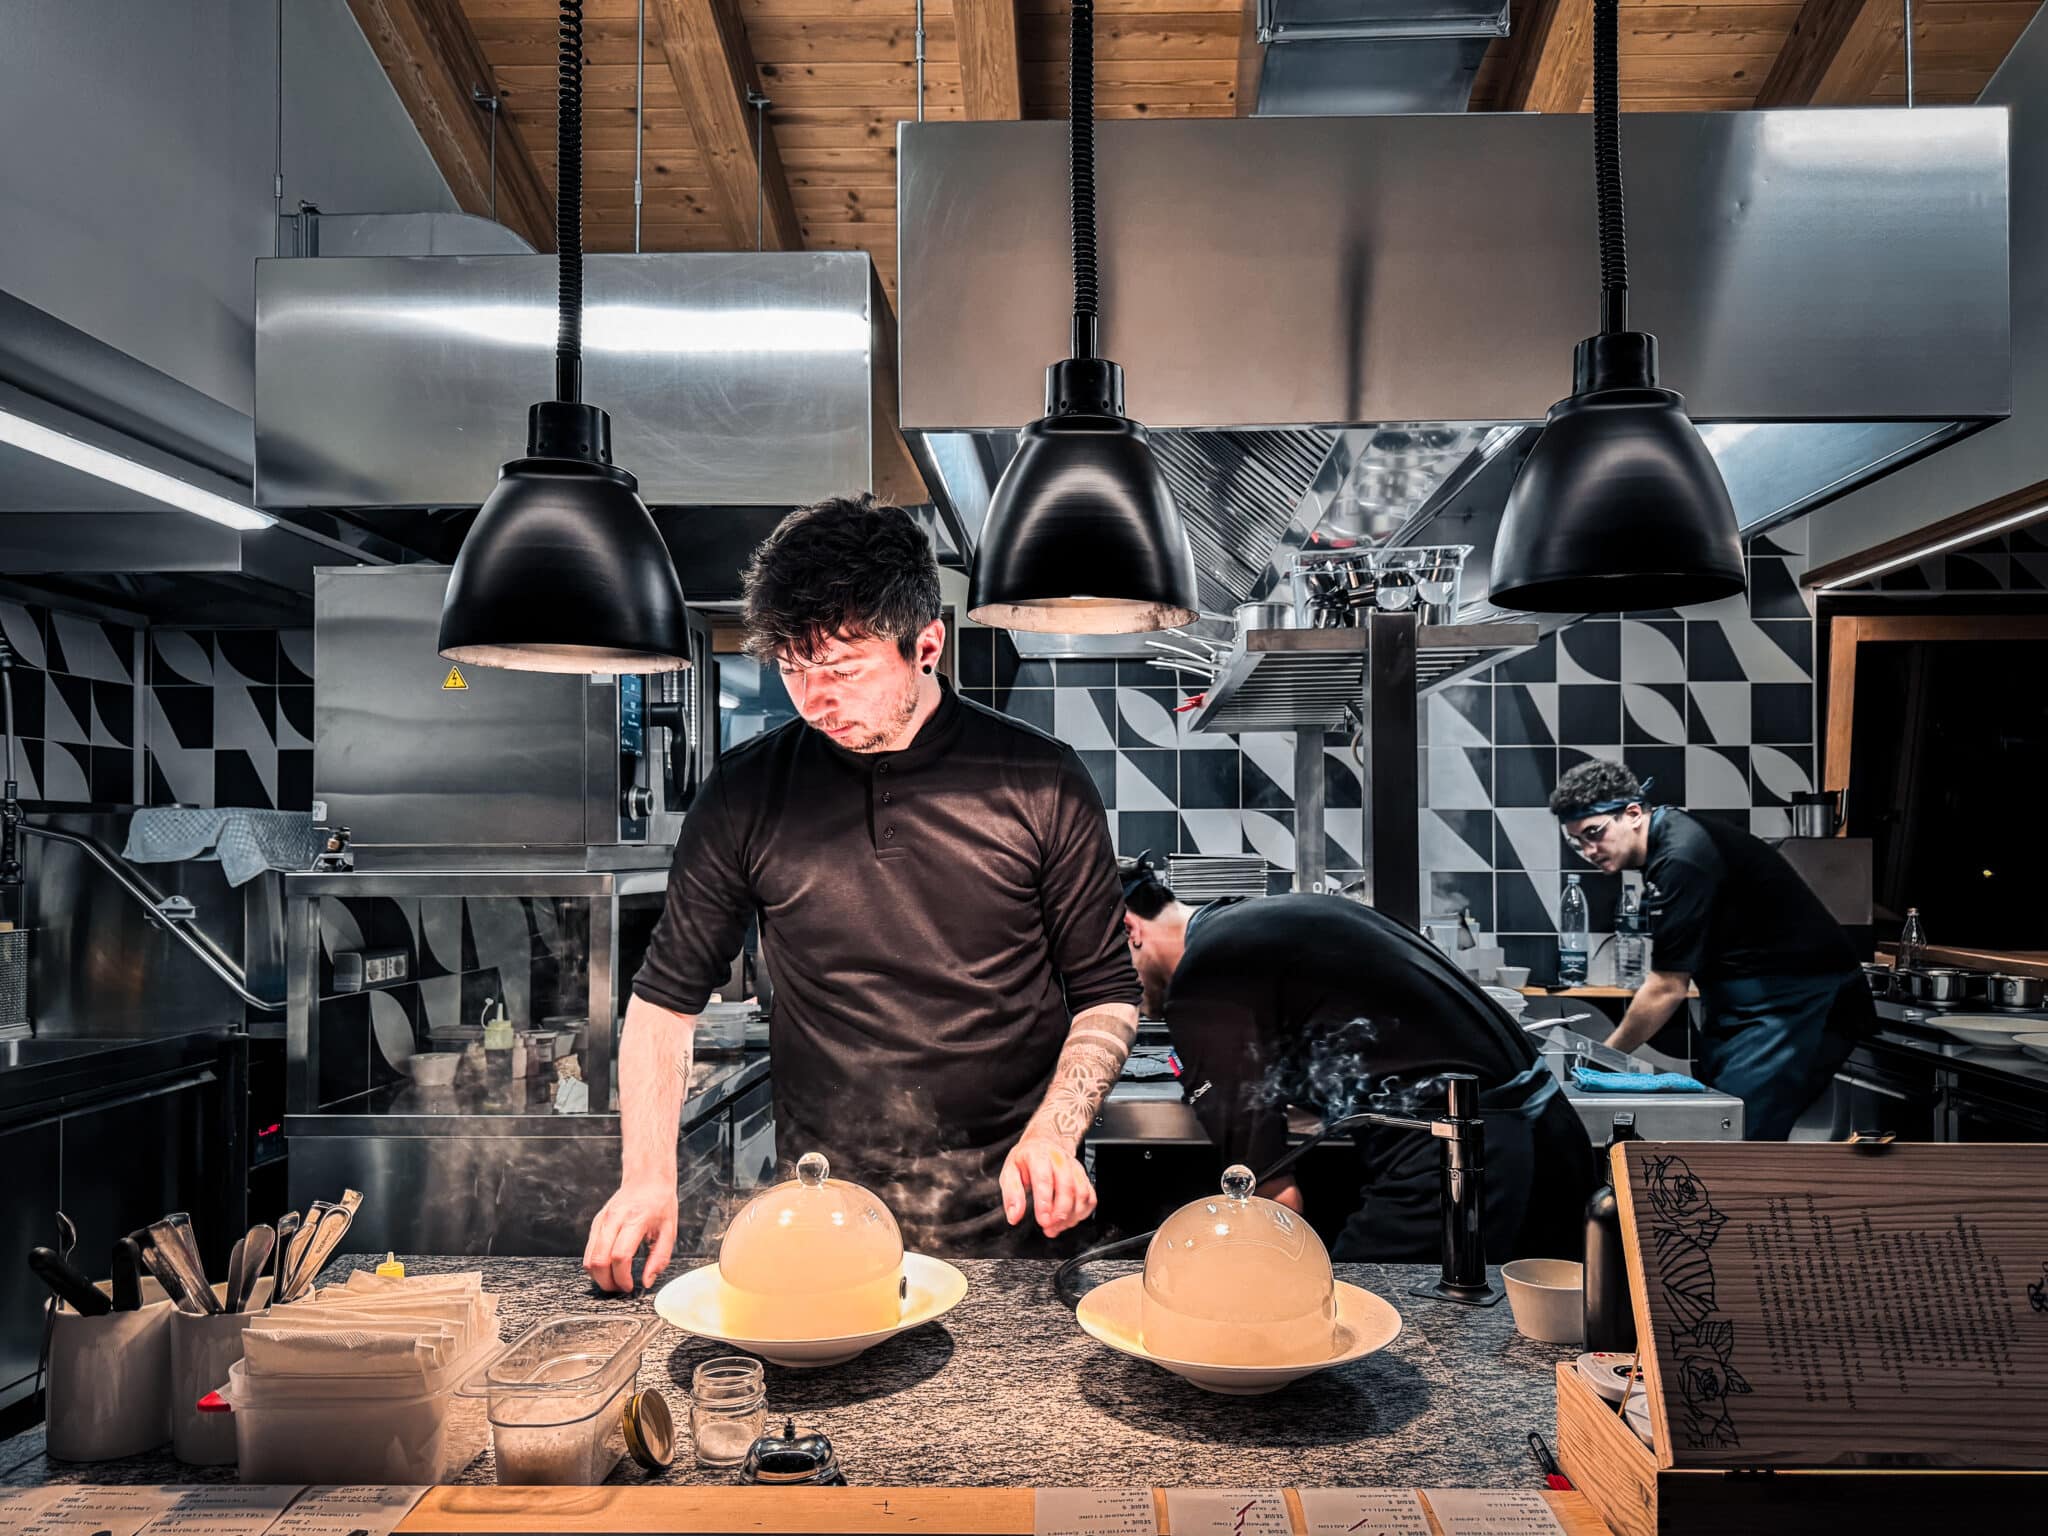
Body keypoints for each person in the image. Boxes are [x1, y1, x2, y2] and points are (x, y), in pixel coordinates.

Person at [583, 496, 1140, 1290]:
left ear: (927, 646)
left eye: (843, 670)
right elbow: (665, 1004)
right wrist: (647, 1175)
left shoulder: (1040, 780)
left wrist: (1055, 1133)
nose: (814, 701)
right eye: (792, 670)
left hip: (1015, 1218)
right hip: (825, 1216)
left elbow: (1107, 994)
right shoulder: (746, 792)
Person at [1119, 858, 1595, 1263]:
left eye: (1099, 968)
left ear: (1128, 929)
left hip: (1458, 1155)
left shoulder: (1204, 976)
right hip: (1547, 1136)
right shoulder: (1249, 923)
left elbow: (1274, 1200)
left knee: (1366, 1326)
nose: (1108, 992)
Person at [1548, 759, 1873, 1141]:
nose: (1588, 850)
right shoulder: (1668, 843)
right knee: (1716, 1128)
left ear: (1633, 814)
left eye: (1594, 832)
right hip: (1749, 1009)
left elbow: (1666, 988)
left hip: (1802, 1007)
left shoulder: (1683, 856)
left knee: (1734, 1140)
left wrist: (1603, 1060)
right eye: (1578, 841)